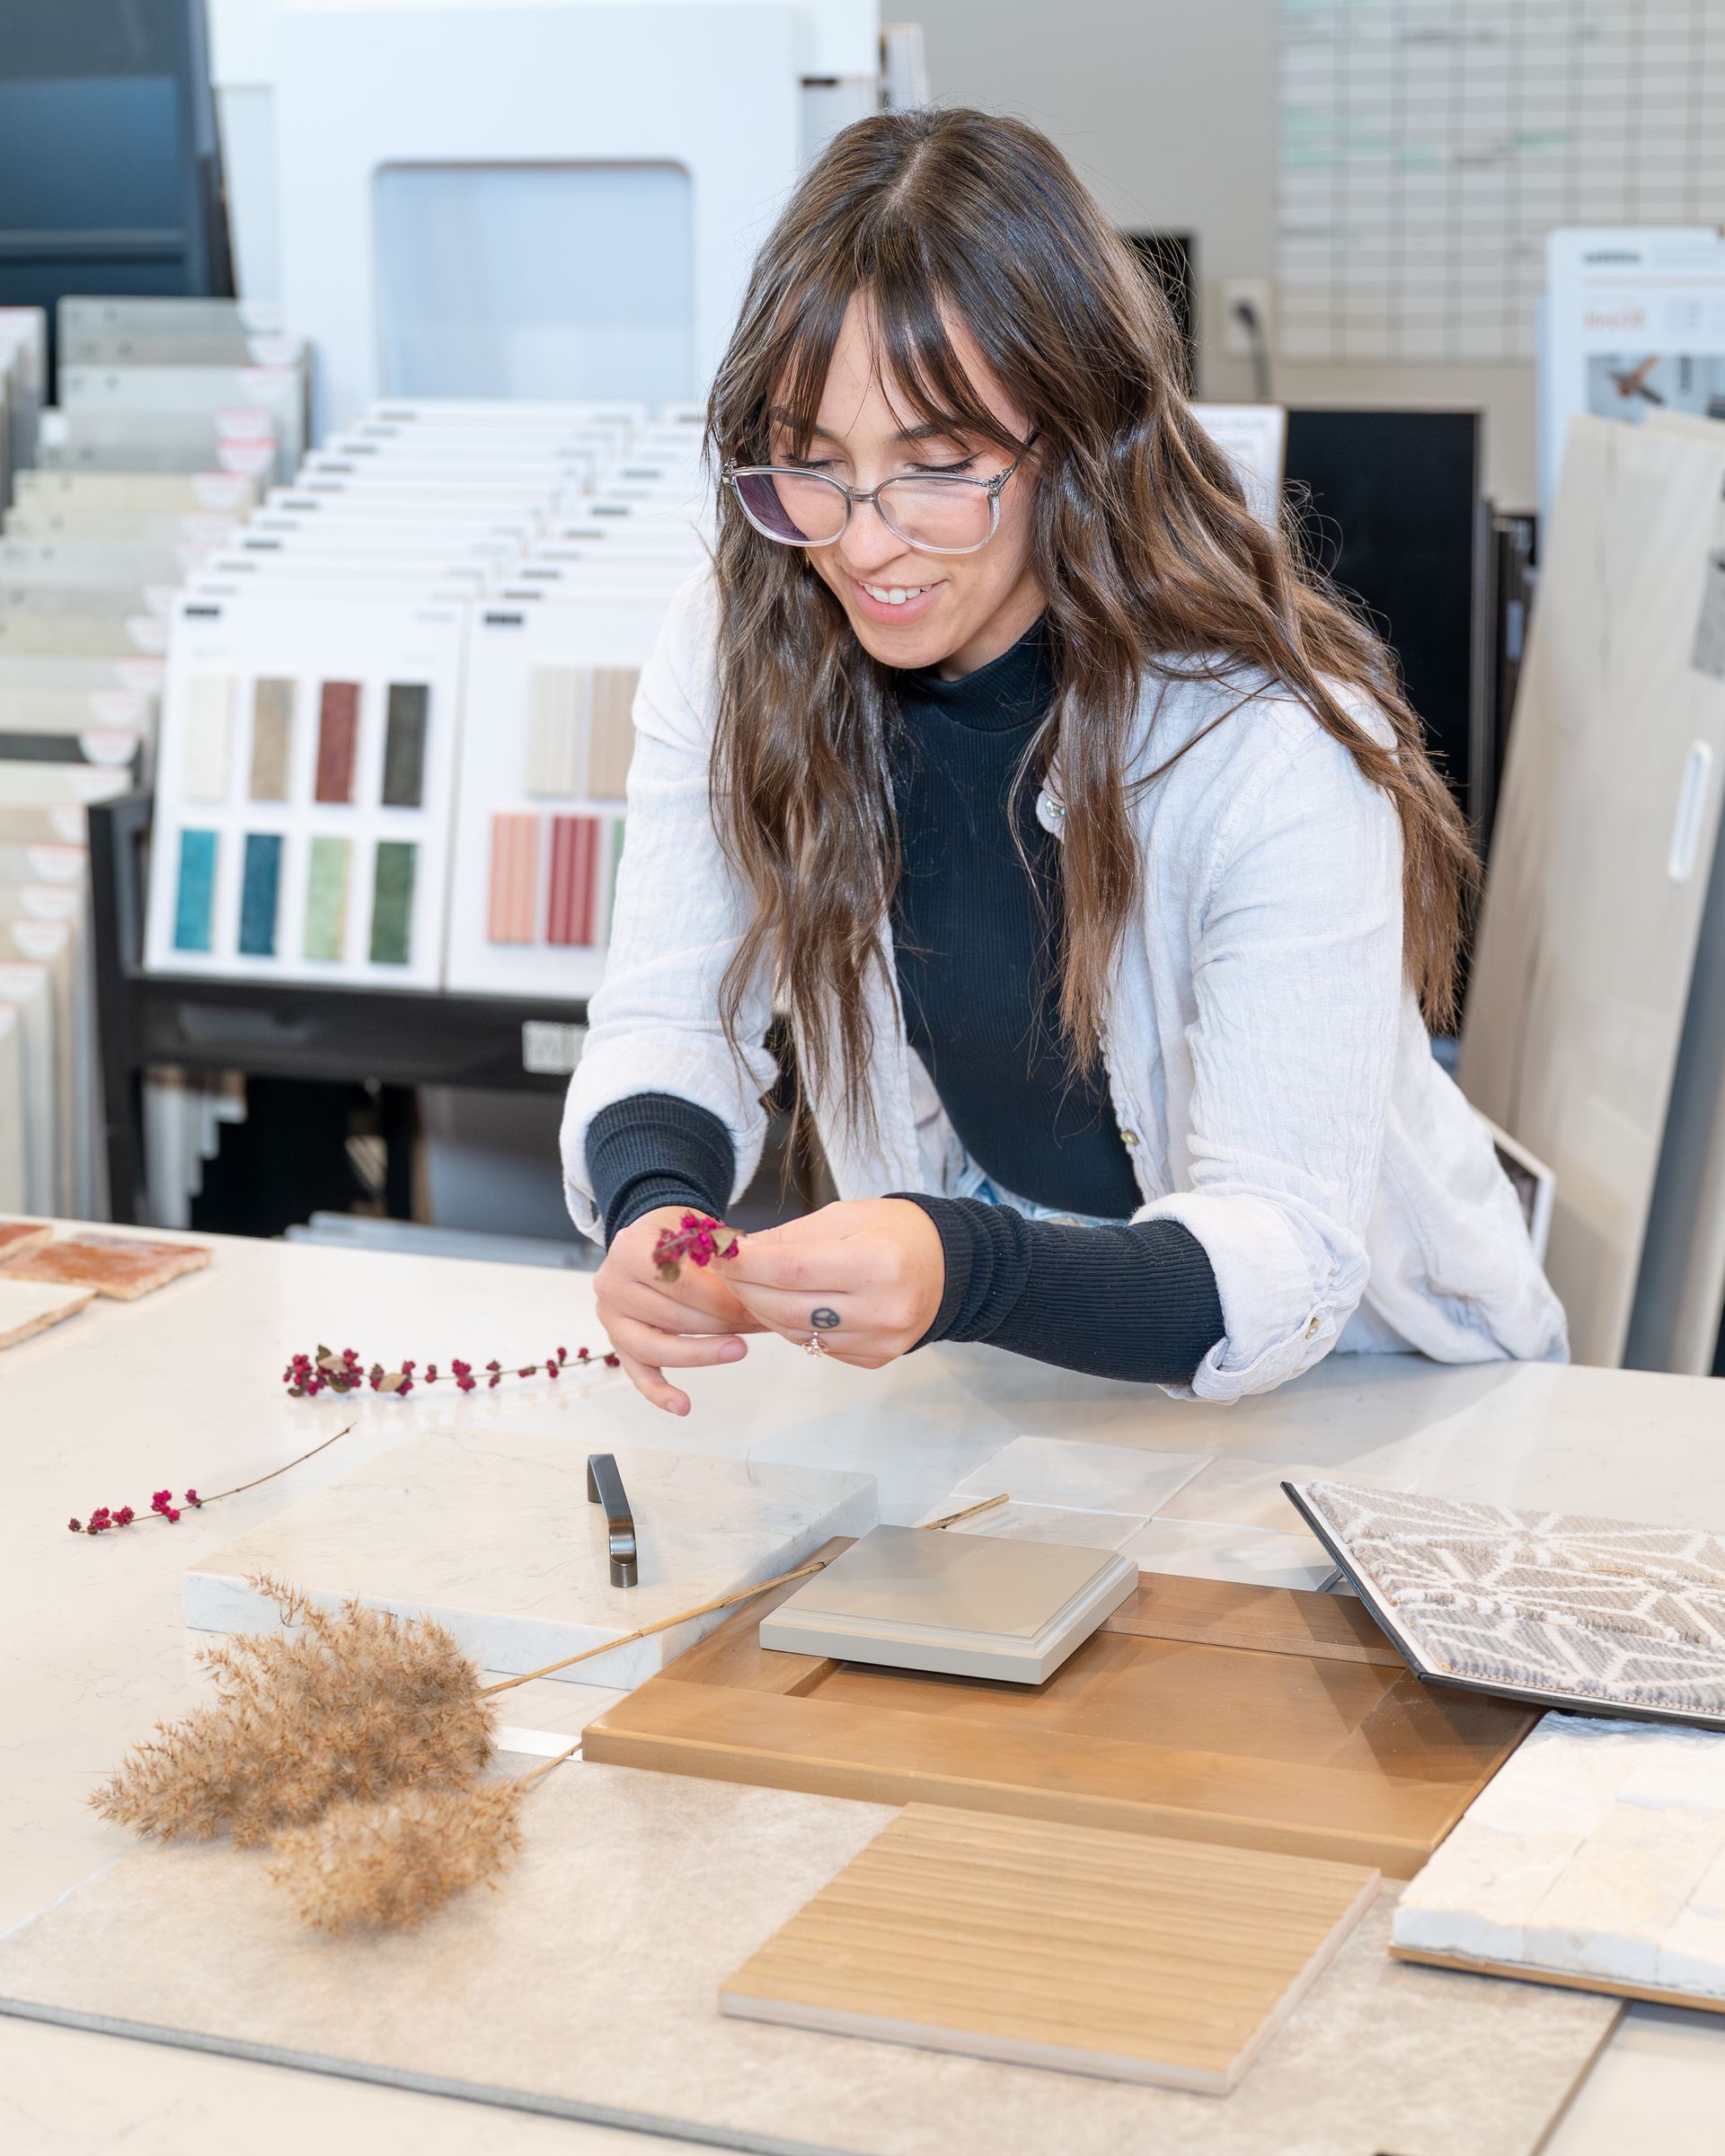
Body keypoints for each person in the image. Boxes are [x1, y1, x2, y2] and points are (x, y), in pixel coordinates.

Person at [561, 106, 1566, 1417]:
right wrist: (656, 1209)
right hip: (1010, 1362)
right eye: (812, 467)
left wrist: (962, 1267)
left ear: (1080, 440)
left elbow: (1283, 1256)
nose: (864, 546)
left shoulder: (1269, 744)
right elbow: (669, 1016)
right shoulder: (742, 636)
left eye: (938, 469)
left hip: (1374, 1389)